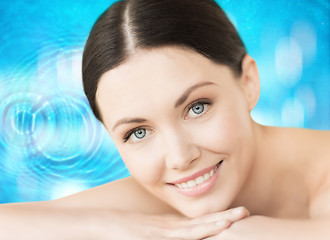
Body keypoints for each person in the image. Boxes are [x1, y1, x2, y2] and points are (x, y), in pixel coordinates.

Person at [1, 0, 329, 239]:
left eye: (197, 107)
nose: (180, 157)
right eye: (138, 132)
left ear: (248, 83)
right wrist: (106, 226)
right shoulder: (163, 197)